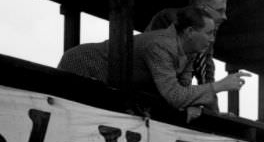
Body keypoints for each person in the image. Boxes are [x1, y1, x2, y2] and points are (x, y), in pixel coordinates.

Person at [58, 6, 248, 111]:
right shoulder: (160, 46)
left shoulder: (190, 52)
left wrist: (194, 104)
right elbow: (175, 96)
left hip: (109, 81)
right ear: (190, 32)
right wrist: (218, 86)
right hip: (82, 65)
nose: (212, 39)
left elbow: (183, 91)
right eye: (209, 33)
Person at [146, 0, 229, 89]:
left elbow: (206, 68)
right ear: (203, 9)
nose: (224, 17)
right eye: (220, 11)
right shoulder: (169, 19)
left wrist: (210, 98)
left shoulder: (207, 31)